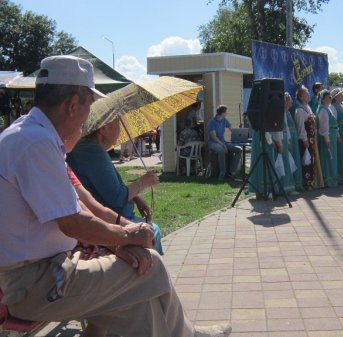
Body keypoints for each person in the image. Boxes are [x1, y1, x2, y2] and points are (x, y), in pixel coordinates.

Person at [0, 55, 232, 337]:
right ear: (73, 104)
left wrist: (120, 239)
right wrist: (124, 238)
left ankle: (186, 333)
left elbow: (83, 209)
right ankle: (188, 334)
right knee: (151, 266)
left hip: (48, 272)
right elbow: (72, 222)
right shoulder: (35, 143)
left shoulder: (32, 136)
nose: (89, 118)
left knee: (138, 302)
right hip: (38, 283)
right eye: (89, 106)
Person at [67, 118, 164, 255]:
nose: (121, 129)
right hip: (111, 219)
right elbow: (116, 197)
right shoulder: (91, 152)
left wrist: (136, 198)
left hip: (108, 217)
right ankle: (152, 274)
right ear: (104, 129)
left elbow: (108, 186)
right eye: (118, 124)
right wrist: (143, 182)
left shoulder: (91, 149)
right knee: (153, 231)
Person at [295, 85, 323, 190]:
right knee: (307, 161)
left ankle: (313, 182)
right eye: (306, 94)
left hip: (312, 138)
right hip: (306, 140)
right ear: (301, 97)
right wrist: (305, 139)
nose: (308, 95)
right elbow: (300, 127)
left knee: (312, 160)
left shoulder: (308, 107)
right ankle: (307, 183)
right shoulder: (299, 110)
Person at [207, 105, 242, 182]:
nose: (227, 113)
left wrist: (239, 133)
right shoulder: (212, 122)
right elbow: (213, 137)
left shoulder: (224, 120)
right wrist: (223, 145)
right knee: (221, 150)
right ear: (222, 113)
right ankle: (222, 174)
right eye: (226, 112)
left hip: (223, 142)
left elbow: (231, 128)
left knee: (239, 149)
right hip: (213, 143)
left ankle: (232, 172)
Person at [317, 89, 338, 187]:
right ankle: (328, 180)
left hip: (332, 135)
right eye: (329, 97)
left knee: (331, 158)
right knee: (328, 157)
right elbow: (324, 127)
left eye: (330, 97)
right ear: (323, 99)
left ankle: (333, 179)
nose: (331, 98)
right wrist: (327, 140)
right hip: (328, 137)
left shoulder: (327, 108)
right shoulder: (323, 110)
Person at [284, 92, 303, 192]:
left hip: (293, 138)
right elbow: (285, 129)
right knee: (289, 161)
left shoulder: (288, 112)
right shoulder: (283, 113)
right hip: (289, 139)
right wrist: (289, 141)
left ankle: (296, 183)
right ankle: (289, 185)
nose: (291, 101)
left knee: (294, 159)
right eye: (289, 99)